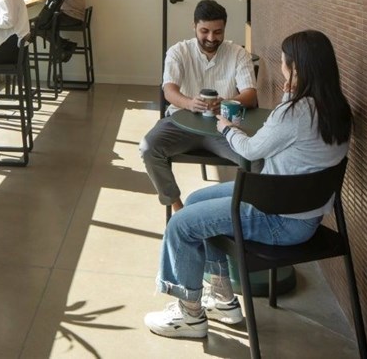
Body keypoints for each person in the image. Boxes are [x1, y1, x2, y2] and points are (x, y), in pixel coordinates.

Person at [143, 30, 353, 339]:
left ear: (296, 69)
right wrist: (290, 94)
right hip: (302, 213)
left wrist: (227, 127)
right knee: (198, 200)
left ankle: (190, 315)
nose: (282, 68)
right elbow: (289, 133)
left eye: (285, 64)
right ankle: (221, 299)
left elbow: (252, 150)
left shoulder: (294, 113)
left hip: (278, 218)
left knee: (182, 223)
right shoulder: (337, 108)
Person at [139, 0, 258, 213]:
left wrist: (226, 102)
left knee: (258, 160)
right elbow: (169, 91)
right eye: (205, 31)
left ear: (224, 29)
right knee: (149, 148)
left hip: (224, 127)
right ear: (194, 26)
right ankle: (178, 208)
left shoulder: (238, 53)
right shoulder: (179, 51)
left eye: (217, 32)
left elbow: (250, 94)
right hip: (180, 123)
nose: (211, 38)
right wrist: (189, 103)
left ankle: (239, 210)